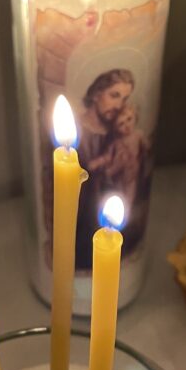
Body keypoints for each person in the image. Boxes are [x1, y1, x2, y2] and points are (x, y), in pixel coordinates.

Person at [75, 69, 135, 269]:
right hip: (81, 216)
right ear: (95, 94)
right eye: (114, 95)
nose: (119, 105)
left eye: (124, 99)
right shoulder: (77, 130)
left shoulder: (117, 133)